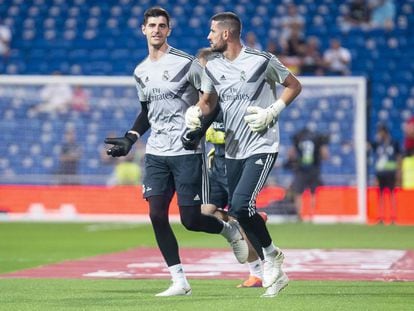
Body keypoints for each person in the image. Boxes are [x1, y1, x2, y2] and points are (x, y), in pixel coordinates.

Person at [103, 7, 248, 297]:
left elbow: (212, 101)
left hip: (186, 152)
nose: (156, 29)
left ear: (169, 30)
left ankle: (228, 229)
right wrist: (131, 138)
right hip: (156, 153)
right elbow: (146, 112)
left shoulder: (187, 64)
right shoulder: (140, 71)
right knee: (156, 214)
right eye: (152, 25)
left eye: (162, 25)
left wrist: (198, 129)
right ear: (143, 29)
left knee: (191, 220)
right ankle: (179, 280)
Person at [184, 12, 302, 297]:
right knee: (241, 209)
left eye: (212, 31)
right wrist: (195, 113)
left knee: (239, 206)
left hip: (262, 144)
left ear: (226, 34)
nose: (208, 36)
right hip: (233, 150)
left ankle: (271, 257)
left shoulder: (262, 61)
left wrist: (272, 111)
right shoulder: (213, 67)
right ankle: (273, 259)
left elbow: (294, 85)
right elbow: (209, 101)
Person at [197, 47, 266, 288]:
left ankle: (257, 273)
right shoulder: (204, 100)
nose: (202, 73)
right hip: (215, 168)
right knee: (204, 213)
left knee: (240, 217)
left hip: (235, 164)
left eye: (205, 68)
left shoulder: (232, 97)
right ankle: (247, 222)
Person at [285, 127, 329, 221]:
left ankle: (300, 215)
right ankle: (312, 215)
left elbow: (291, 153)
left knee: (298, 193)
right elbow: (325, 154)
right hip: (314, 169)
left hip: (301, 169)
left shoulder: (299, 138)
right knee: (313, 193)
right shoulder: (317, 138)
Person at [370, 124, 401, 224]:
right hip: (380, 173)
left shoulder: (394, 143)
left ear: (384, 132)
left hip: (391, 172)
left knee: (392, 194)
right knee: (380, 195)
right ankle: (380, 218)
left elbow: (398, 157)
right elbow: (376, 159)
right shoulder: (378, 144)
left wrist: (398, 172)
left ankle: (393, 217)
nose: (379, 134)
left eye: (380, 132)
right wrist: (375, 175)